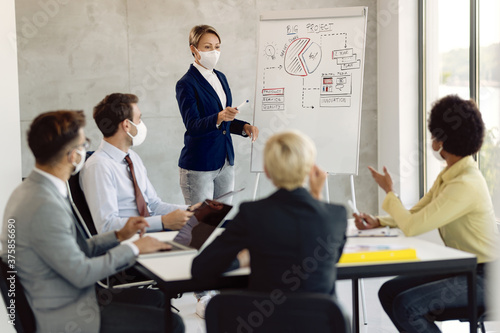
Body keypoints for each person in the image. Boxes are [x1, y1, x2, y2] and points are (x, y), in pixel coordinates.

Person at [0, 110, 184, 333]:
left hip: (67, 297)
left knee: (157, 299)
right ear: (71, 155)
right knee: (172, 323)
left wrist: (118, 236)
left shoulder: (30, 190)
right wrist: (134, 248)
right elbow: (82, 273)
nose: (84, 150)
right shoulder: (43, 205)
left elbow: (73, 250)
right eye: (83, 143)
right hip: (69, 315)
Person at [354, 95, 498, 333]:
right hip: (465, 268)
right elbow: (416, 213)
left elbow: (412, 226)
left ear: (440, 141)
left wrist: (389, 191)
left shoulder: (465, 184)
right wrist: (378, 222)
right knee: (389, 292)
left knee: (406, 306)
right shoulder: (451, 175)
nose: (432, 140)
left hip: (488, 277)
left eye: (434, 134)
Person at [191, 130, 347, 296]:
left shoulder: (252, 213)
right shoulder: (336, 215)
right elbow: (329, 260)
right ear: (311, 169)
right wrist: (317, 197)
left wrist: (242, 260)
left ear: (267, 170)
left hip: (263, 319)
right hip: (321, 320)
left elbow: (202, 268)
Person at [80, 93, 200, 233]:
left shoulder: (132, 157)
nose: (141, 125)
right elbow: (107, 226)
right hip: (129, 241)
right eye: (139, 119)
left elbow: (154, 205)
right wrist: (162, 222)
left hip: (151, 232)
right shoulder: (98, 166)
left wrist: (190, 209)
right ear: (126, 125)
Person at [175, 25, 259, 206]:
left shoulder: (221, 77)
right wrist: (219, 117)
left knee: (220, 220)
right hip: (199, 164)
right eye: (207, 47)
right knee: (200, 226)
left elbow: (224, 118)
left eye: (217, 46)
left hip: (225, 161)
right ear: (193, 49)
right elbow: (193, 125)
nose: (214, 51)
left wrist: (244, 127)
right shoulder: (186, 84)